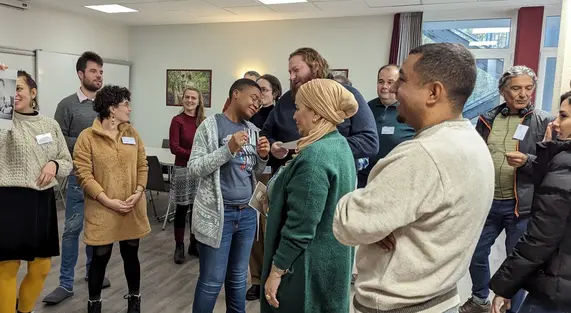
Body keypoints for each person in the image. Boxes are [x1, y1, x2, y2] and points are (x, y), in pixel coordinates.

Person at [333, 43, 496, 313]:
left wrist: (371, 216)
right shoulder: (471, 141)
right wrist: (381, 221)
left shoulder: (422, 155)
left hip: (400, 305)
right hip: (440, 297)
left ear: (433, 92)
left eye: (403, 80)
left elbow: (349, 223)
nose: (394, 89)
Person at [460, 65, 552, 313]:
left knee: (517, 262)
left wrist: (527, 161)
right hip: (488, 202)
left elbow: (552, 164)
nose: (523, 94)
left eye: (528, 88)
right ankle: (480, 298)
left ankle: (513, 309)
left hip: (521, 205)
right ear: (502, 91)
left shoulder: (545, 121)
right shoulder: (487, 119)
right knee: (476, 253)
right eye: (516, 88)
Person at [261, 79, 358, 312]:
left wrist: (276, 271)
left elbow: (300, 227)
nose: (294, 116)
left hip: (304, 268)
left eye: (298, 108)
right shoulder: (338, 145)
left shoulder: (315, 157)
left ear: (315, 113)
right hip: (330, 261)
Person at [188, 78, 270, 313]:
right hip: (218, 216)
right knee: (211, 281)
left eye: (260, 102)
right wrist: (228, 150)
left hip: (245, 216)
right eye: (253, 98)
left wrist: (262, 157)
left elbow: (251, 173)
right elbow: (195, 168)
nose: (257, 104)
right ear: (236, 93)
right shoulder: (210, 126)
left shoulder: (253, 130)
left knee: (237, 280)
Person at [489, 92, 571, 313]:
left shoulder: (566, 166)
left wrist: (503, 287)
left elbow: (540, 239)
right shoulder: (488, 118)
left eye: (563, 116)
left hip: (556, 293)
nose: (555, 123)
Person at [0, 66, 73, 313]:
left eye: (19, 88)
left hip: (43, 202)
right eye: (11, 89)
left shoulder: (50, 125)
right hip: (9, 200)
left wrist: (53, 164)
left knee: (41, 268)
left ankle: (24, 309)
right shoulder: (3, 122)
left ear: (33, 92)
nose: (15, 94)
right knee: (7, 268)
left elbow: (66, 161)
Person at [73, 85, 150, 313]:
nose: (129, 108)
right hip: (102, 210)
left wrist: (139, 191)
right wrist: (108, 201)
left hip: (131, 207)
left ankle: (134, 302)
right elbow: (83, 174)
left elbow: (142, 165)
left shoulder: (132, 134)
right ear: (111, 108)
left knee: (131, 254)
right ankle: (94, 304)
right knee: (100, 257)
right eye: (125, 104)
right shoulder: (87, 138)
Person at [43, 51, 111, 304]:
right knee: (72, 231)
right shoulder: (67, 105)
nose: (99, 76)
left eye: (101, 72)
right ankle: (65, 284)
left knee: (97, 230)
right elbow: (56, 141)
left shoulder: (106, 104)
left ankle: (93, 274)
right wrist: (88, 143)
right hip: (76, 179)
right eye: (94, 71)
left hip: (103, 181)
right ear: (81, 74)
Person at [261, 47, 378, 173]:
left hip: (334, 178)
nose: (291, 77)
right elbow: (266, 134)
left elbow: (369, 142)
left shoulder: (346, 95)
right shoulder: (285, 101)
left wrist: (320, 148)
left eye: (296, 70)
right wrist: (273, 146)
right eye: (290, 72)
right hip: (289, 178)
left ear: (315, 67)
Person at [247, 73, 282, 301]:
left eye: (265, 90)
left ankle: (275, 276)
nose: (260, 95)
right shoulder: (250, 115)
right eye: (257, 91)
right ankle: (257, 279)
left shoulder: (282, 115)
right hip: (255, 177)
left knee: (273, 229)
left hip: (275, 177)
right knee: (256, 230)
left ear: (275, 93)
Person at [358, 64, 415, 188]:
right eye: (380, 82)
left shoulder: (409, 110)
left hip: (397, 180)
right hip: (365, 179)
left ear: (399, 84)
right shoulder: (366, 108)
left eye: (390, 82)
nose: (384, 87)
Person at [169, 87, 206, 264]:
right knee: (182, 209)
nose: (190, 100)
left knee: (196, 209)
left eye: (193, 98)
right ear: (182, 100)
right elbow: (174, 147)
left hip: (199, 171)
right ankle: (179, 246)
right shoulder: (177, 121)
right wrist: (195, 155)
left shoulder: (203, 122)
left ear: (199, 101)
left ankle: (194, 244)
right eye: (187, 97)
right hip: (183, 170)